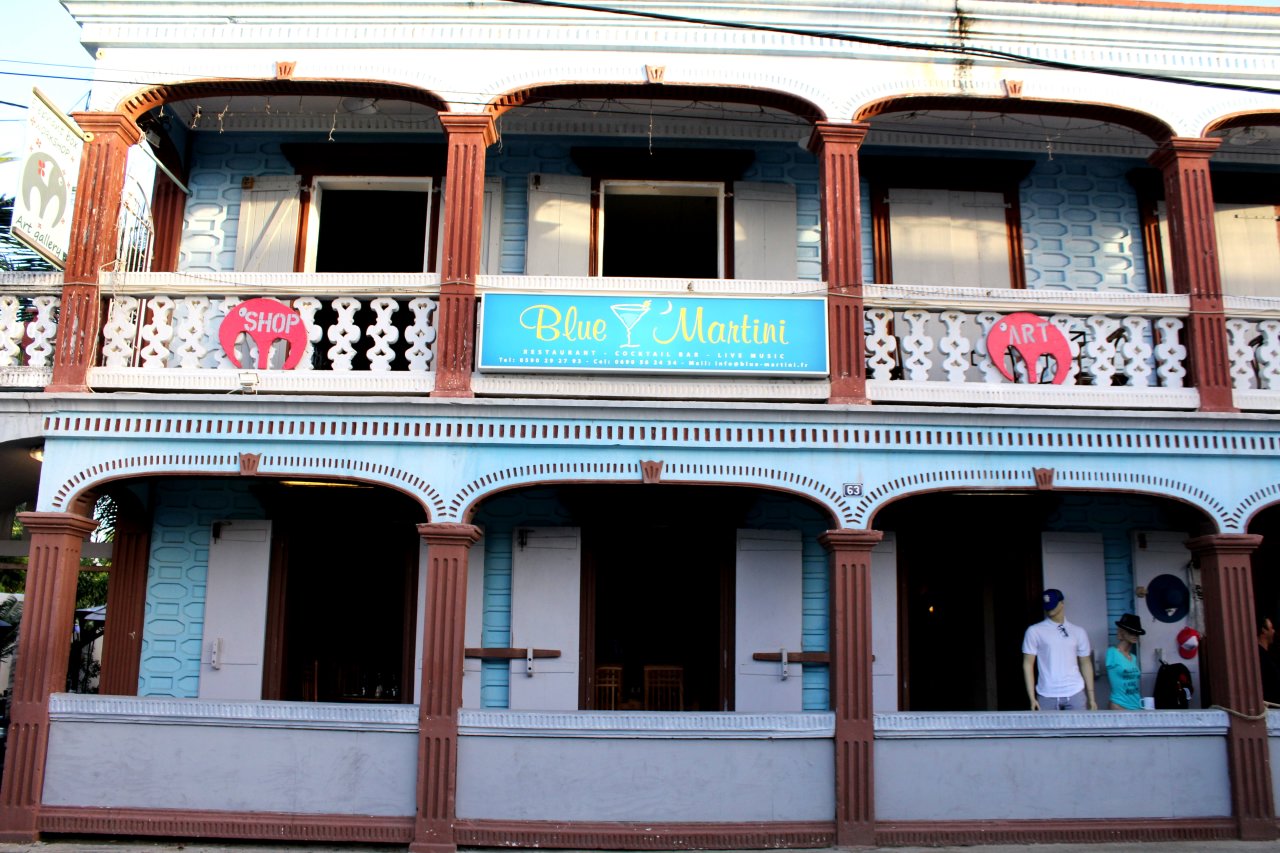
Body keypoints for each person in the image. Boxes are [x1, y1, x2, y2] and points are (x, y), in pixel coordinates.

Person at [1022, 588, 1096, 710]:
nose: (1050, 609)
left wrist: (1092, 697)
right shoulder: (1034, 631)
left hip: (1075, 691)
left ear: (1062, 603)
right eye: (1047, 605)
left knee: (1079, 729)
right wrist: (1032, 697)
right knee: (1047, 729)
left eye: (1053, 604)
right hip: (1047, 693)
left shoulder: (1078, 632)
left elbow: (1086, 663)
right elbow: (1028, 664)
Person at [1106, 613, 1145, 710]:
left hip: (1137, 705)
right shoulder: (1112, 653)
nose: (1135, 635)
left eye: (1137, 633)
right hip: (1119, 705)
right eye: (1131, 632)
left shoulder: (1133, 657)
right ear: (1122, 632)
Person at [1258, 615, 1280, 706]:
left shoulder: (1268, 656)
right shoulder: (1259, 656)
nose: (1273, 631)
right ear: (1263, 630)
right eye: (1271, 628)